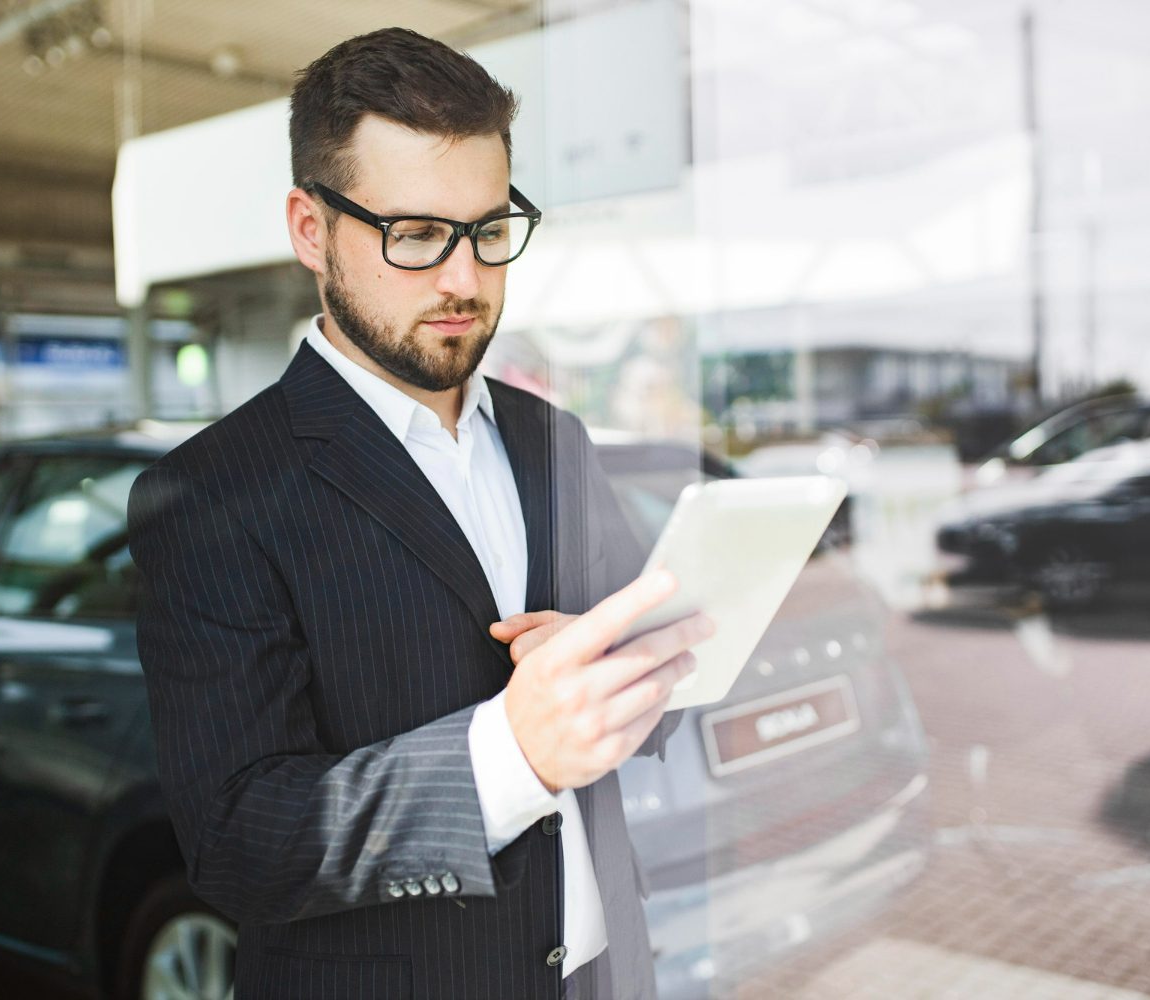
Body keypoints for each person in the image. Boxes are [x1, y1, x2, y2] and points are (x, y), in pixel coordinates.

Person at [126, 27, 713, 1000]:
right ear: (311, 230)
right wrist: (508, 757)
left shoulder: (553, 438)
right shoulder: (212, 495)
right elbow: (239, 839)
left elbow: (638, 703)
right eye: (415, 234)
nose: (463, 279)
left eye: (488, 230)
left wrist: (625, 674)